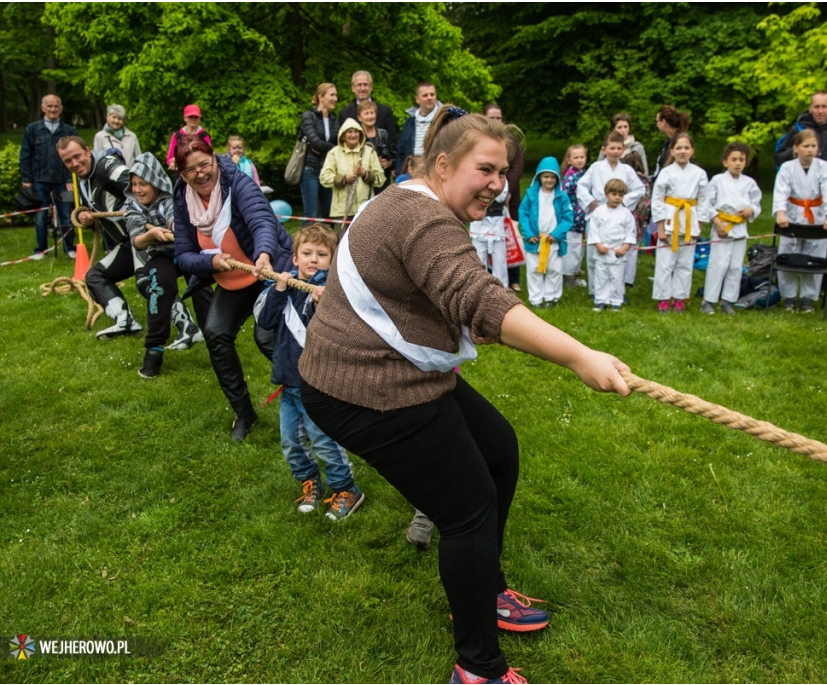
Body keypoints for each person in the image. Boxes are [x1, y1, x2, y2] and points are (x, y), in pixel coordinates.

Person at [297, 108, 630, 684]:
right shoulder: (421, 218)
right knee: (469, 508)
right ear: (444, 164)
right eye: (487, 169)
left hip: (397, 371)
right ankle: (478, 669)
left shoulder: (411, 199)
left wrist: (460, 316)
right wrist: (581, 356)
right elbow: (475, 295)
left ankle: (484, 590)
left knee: (498, 451)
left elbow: (431, 288)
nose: (498, 183)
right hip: (364, 388)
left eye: (504, 172)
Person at [172, 134, 294, 441]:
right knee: (215, 331)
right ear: (182, 174)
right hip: (232, 279)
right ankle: (244, 413)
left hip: (268, 271)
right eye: (191, 170)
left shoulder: (238, 182)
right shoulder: (182, 198)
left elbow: (262, 222)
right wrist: (210, 265)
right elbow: (184, 254)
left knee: (266, 337)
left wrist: (263, 254)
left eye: (204, 164)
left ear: (215, 159)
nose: (200, 173)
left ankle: (313, 401)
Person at [254, 223, 365, 519]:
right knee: (290, 442)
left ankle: (346, 489)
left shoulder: (332, 291)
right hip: (288, 384)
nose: (313, 259)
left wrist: (320, 303)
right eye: (306, 253)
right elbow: (264, 322)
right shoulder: (282, 286)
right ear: (294, 258)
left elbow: (334, 331)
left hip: (317, 385)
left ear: (332, 260)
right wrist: (279, 289)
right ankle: (310, 482)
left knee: (324, 440)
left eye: (321, 254)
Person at [125, 152, 207, 378]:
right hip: (159, 254)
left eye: (143, 183)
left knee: (202, 284)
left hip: (185, 250)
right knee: (159, 287)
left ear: (156, 183)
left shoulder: (171, 200)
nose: (138, 189)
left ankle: (213, 336)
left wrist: (174, 230)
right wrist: (151, 234)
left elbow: (174, 218)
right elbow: (137, 241)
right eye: (134, 184)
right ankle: (154, 350)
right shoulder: (132, 206)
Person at [57, 136, 142, 338]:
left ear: (88, 150)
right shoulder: (83, 178)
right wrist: (83, 216)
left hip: (146, 238)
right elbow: (97, 207)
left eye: (77, 156)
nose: (75, 164)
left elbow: (140, 187)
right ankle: (125, 320)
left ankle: (188, 328)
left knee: (151, 282)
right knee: (94, 277)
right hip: (128, 244)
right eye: (68, 161)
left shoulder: (108, 166)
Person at [772, 129, 827, 313]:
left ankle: (807, 298)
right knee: (788, 255)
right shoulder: (787, 168)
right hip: (792, 214)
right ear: (795, 148)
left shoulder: (824, 167)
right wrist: (780, 212)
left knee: (814, 257)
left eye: (813, 146)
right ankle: (789, 296)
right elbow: (781, 191)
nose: (810, 150)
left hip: (817, 214)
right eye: (805, 146)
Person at [577, 131, 646, 299]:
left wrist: (623, 202)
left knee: (618, 255)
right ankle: (596, 291)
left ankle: (616, 291)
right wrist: (590, 202)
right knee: (595, 255)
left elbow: (640, 189)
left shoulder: (627, 170)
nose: (615, 151)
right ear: (604, 149)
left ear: (623, 150)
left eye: (619, 148)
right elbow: (581, 185)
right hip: (598, 213)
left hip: (619, 216)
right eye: (612, 148)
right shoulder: (596, 167)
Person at [701, 142, 762, 315]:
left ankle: (727, 300)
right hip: (722, 225)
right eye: (734, 159)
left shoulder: (749, 183)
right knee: (718, 264)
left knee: (735, 267)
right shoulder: (717, 181)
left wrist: (751, 210)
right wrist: (717, 222)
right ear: (725, 162)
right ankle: (708, 300)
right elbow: (708, 204)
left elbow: (756, 203)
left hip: (740, 228)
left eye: (741, 160)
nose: (738, 163)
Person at [651, 131, 708, 313]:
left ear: (692, 150)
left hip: (689, 218)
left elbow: (704, 200)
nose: (683, 151)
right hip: (670, 218)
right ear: (672, 151)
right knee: (665, 262)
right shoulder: (666, 172)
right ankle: (663, 298)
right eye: (679, 148)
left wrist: (699, 225)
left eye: (686, 148)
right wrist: (660, 226)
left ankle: (679, 297)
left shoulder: (699, 173)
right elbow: (657, 199)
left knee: (684, 263)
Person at [20, 94, 77, 259]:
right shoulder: (32, 129)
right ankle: (41, 250)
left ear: (61, 108)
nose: (53, 109)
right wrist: (27, 179)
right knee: (40, 217)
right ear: (43, 108)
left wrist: (69, 178)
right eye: (50, 106)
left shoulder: (69, 131)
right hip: (39, 182)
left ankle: (69, 249)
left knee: (67, 215)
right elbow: (25, 155)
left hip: (63, 182)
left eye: (56, 106)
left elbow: (76, 157)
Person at [519, 156, 574, 308]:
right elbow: (523, 214)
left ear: (557, 178)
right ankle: (536, 299)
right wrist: (528, 233)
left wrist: (556, 234)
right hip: (535, 240)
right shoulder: (531, 195)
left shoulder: (562, 197)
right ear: (539, 177)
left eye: (552, 177)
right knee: (534, 270)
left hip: (553, 241)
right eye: (546, 176)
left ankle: (551, 297)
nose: (549, 180)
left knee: (554, 270)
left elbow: (567, 218)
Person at [484, 104, 526, 293]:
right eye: (491, 118)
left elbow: (517, 166)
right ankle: (487, 280)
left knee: (510, 238)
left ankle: (512, 280)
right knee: (484, 244)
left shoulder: (510, 139)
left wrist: (507, 190)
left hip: (509, 196)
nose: (495, 121)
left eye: (498, 118)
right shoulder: (481, 139)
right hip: (486, 198)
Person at [773, 91, 827, 184]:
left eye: (824, 106)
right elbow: (779, 159)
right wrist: (797, 150)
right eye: (816, 107)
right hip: (801, 189)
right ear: (810, 108)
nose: (820, 111)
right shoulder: (798, 129)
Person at [319, 118, 386, 221]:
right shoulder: (333, 153)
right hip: (341, 209)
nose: (353, 135)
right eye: (349, 132)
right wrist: (344, 179)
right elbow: (324, 177)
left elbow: (380, 179)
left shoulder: (370, 152)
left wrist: (365, 174)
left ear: (360, 134)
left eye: (356, 132)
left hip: (365, 209)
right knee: (343, 237)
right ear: (343, 135)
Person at [587, 179, 636, 311]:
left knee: (616, 278)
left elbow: (630, 233)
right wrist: (598, 245)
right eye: (614, 194)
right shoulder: (598, 211)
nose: (617, 198)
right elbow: (593, 230)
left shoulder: (626, 214)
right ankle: (600, 300)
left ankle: (616, 301)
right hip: (602, 250)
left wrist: (624, 248)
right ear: (606, 194)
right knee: (601, 278)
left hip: (617, 253)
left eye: (620, 195)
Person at [298, 83, 340, 221]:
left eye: (336, 95)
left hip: (328, 171)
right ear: (320, 97)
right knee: (311, 216)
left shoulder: (335, 120)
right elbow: (315, 142)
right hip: (311, 170)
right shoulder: (308, 116)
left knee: (329, 216)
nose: (335, 98)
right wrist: (332, 148)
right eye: (332, 95)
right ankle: (303, 243)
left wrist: (324, 147)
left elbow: (338, 145)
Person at [395, 81, 442, 179]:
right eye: (425, 95)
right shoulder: (409, 122)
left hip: (435, 172)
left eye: (432, 94)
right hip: (411, 172)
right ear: (417, 99)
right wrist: (400, 172)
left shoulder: (443, 120)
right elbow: (400, 151)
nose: (429, 98)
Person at [469, 180, 510, 287]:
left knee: (499, 261)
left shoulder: (502, 180)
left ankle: (502, 290)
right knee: (479, 260)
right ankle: (479, 288)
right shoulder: (475, 177)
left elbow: (501, 197)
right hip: (479, 224)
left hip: (496, 224)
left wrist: (485, 192)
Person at [337, 70, 396, 144]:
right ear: (353, 88)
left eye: (365, 85)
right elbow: (341, 142)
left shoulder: (385, 111)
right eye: (359, 85)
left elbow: (392, 141)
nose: (362, 88)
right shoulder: (345, 114)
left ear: (371, 87)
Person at [620, 151, 651, 288]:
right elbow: (646, 205)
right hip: (638, 220)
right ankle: (628, 279)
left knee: (625, 247)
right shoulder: (646, 182)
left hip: (630, 218)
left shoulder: (630, 181)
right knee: (632, 250)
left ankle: (624, 277)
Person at [560, 145, 588, 287]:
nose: (579, 160)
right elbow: (564, 197)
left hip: (581, 218)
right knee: (573, 248)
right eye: (576, 157)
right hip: (572, 219)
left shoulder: (583, 174)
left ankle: (574, 271)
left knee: (578, 247)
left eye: (582, 157)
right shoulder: (570, 177)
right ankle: (568, 276)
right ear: (569, 160)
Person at [357, 101, 394, 189]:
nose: (370, 116)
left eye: (372, 113)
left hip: (382, 179)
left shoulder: (384, 134)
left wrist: (389, 162)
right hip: (362, 181)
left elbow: (393, 153)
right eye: (366, 113)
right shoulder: (356, 135)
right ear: (359, 117)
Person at [165, 104, 212, 172]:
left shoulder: (204, 136)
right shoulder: (177, 135)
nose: (193, 119)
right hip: (181, 173)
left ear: (199, 118)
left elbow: (210, 156)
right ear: (185, 118)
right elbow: (169, 158)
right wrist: (172, 162)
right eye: (190, 117)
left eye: (196, 117)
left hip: (200, 172)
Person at [653, 105, 690, 178]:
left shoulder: (676, 142)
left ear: (663, 122)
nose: (656, 123)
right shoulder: (669, 142)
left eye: (657, 121)